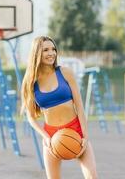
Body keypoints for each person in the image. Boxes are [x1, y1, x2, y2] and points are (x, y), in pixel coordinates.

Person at [21, 36, 98, 179]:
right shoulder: (30, 82)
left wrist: (85, 135)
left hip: (76, 130)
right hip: (51, 135)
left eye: (53, 49)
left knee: (92, 177)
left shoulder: (65, 73)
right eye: (45, 50)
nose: (51, 53)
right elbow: (30, 117)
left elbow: (79, 106)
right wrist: (46, 137)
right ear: (36, 53)